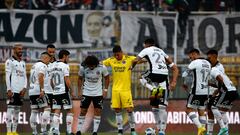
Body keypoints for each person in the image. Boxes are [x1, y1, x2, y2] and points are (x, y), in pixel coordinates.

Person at [131, 38, 179, 135]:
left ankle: (152, 88)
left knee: (141, 77)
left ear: (145, 44)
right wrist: (174, 82)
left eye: (144, 45)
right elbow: (174, 68)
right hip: (163, 77)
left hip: (154, 74)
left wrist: (131, 67)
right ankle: (161, 130)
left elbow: (135, 60)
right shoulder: (161, 51)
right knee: (159, 107)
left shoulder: (146, 50)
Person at [102, 46, 137, 135]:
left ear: (121, 52)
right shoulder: (111, 60)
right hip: (115, 90)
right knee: (117, 110)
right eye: (115, 55)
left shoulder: (129, 59)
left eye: (117, 55)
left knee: (129, 110)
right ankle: (120, 131)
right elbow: (100, 63)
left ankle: (132, 130)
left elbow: (140, 59)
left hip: (125, 90)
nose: (116, 57)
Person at [76, 55, 110, 135]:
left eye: (92, 66)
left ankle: (95, 132)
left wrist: (105, 90)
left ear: (96, 64)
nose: (91, 67)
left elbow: (107, 78)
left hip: (98, 93)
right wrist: (79, 91)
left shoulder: (102, 67)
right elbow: (80, 78)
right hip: (86, 93)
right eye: (89, 65)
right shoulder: (83, 67)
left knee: (97, 111)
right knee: (83, 111)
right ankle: (78, 131)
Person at [208, 50, 239, 135]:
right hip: (233, 91)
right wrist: (211, 84)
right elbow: (221, 81)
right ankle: (226, 132)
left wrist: (218, 90)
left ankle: (223, 128)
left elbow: (221, 80)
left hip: (227, 91)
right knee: (222, 112)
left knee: (213, 107)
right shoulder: (217, 68)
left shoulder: (214, 69)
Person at [182, 49, 211, 135]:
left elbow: (184, 74)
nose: (190, 59)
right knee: (201, 111)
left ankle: (200, 127)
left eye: (190, 57)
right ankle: (202, 132)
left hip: (196, 91)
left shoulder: (194, 62)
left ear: (194, 54)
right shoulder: (208, 63)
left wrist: (184, 83)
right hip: (206, 91)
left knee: (188, 110)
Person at [50, 49, 75, 135]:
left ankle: (56, 131)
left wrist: (55, 89)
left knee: (57, 111)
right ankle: (69, 131)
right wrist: (71, 90)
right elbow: (67, 80)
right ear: (64, 56)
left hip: (56, 91)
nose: (68, 59)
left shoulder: (53, 66)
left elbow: (50, 81)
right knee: (70, 111)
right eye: (68, 57)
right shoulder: (65, 66)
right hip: (64, 91)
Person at [5, 43, 27, 135]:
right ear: (14, 50)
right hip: (13, 90)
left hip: (20, 90)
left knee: (17, 110)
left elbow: (25, 76)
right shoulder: (9, 61)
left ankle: (14, 131)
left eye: (21, 49)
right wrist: (9, 89)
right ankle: (8, 131)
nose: (20, 51)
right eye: (19, 49)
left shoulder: (23, 63)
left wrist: (25, 88)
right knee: (10, 109)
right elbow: (7, 76)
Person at [28, 52, 51, 135]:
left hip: (31, 90)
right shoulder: (43, 65)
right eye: (49, 59)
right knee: (47, 108)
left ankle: (34, 132)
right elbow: (40, 76)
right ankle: (43, 130)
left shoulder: (33, 66)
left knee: (34, 111)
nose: (49, 61)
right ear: (45, 58)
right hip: (38, 90)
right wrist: (42, 89)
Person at [205, 49, 225, 135]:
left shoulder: (219, 67)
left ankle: (223, 128)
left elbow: (220, 81)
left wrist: (210, 84)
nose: (209, 60)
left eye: (210, 58)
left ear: (215, 56)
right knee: (209, 112)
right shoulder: (211, 66)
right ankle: (209, 133)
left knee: (213, 109)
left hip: (215, 93)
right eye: (208, 58)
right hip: (209, 92)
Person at [45, 44, 57, 131]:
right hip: (46, 90)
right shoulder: (43, 63)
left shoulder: (57, 63)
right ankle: (43, 130)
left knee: (54, 110)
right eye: (50, 52)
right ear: (46, 51)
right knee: (46, 109)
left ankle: (52, 129)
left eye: (53, 52)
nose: (51, 53)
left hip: (56, 91)